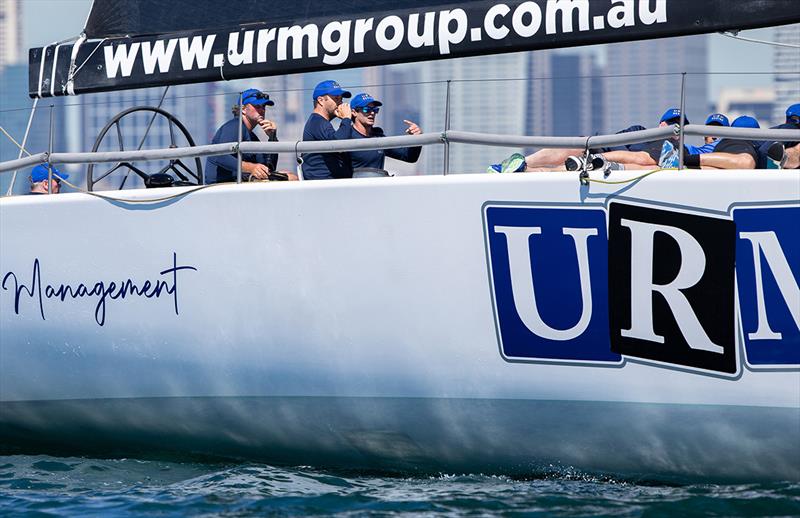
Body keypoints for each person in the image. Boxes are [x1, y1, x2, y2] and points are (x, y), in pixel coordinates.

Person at [490, 108, 689, 173]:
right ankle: (517, 164)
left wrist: (600, 159)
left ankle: (526, 171)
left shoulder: (678, 149)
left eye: (681, 125)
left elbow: (642, 159)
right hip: (602, 153)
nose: (675, 127)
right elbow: (610, 141)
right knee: (580, 143)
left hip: (605, 164)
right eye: (671, 122)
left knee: (579, 164)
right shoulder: (638, 130)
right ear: (661, 124)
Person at [206, 88, 287, 184]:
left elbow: (269, 168)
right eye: (257, 106)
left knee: (286, 175)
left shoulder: (252, 137)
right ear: (243, 109)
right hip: (220, 186)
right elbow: (220, 156)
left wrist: (272, 138)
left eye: (263, 106)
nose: (262, 110)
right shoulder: (234, 126)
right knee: (291, 178)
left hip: (239, 184)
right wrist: (251, 168)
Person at [347, 93, 423, 176]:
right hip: (354, 187)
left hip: (377, 186)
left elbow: (409, 157)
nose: (372, 113)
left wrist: (416, 138)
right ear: (354, 112)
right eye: (366, 110)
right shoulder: (347, 136)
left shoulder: (378, 137)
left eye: (375, 110)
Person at [301, 80, 354, 180]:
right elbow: (339, 144)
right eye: (336, 98)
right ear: (321, 100)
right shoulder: (317, 122)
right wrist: (346, 118)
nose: (340, 103)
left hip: (331, 185)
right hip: (323, 186)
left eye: (341, 99)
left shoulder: (321, 122)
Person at [683, 116, 760, 169]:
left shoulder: (724, 144)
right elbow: (745, 163)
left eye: (719, 131)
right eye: (710, 131)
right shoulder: (696, 150)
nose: (714, 136)